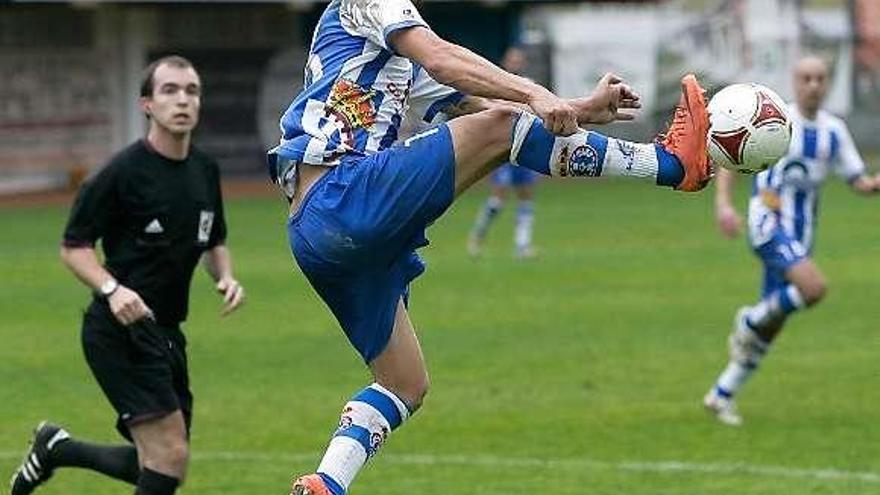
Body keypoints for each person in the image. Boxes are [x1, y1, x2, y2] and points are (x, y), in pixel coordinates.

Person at [267, 1, 711, 494]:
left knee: (403, 384)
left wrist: (578, 110)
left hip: (317, 236)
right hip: (342, 197)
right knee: (502, 129)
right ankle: (672, 165)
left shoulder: (398, 46)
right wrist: (539, 94)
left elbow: (493, 111)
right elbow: (444, 61)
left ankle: (327, 483)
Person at [9, 55, 245, 495]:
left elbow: (213, 238)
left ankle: (57, 449)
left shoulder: (205, 170)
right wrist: (112, 289)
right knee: (169, 457)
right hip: (118, 330)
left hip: (168, 332)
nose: (183, 100)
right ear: (147, 105)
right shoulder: (121, 173)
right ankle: (55, 449)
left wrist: (225, 277)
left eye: (191, 91)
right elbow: (73, 248)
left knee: (159, 460)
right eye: (170, 90)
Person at [703, 55, 880, 426]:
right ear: (795, 82)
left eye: (820, 78)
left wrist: (874, 183)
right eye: (806, 78)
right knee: (813, 289)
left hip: (802, 236)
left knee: (775, 321)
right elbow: (731, 155)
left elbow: (859, 182)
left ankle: (722, 393)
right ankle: (748, 322)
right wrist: (723, 205)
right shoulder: (774, 119)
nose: (813, 84)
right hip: (768, 223)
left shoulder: (834, 130)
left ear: (827, 83)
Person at [467, 47, 540, 259]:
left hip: (525, 148)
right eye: (512, 60)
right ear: (506, 62)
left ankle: (522, 245)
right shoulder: (497, 84)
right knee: (498, 197)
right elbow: (491, 109)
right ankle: (477, 237)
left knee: (526, 196)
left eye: (519, 60)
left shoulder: (529, 84)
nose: (516, 63)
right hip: (504, 149)